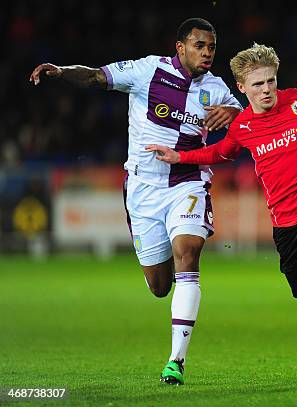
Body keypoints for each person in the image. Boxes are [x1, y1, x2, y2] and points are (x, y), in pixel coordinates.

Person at [146, 43, 297, 380]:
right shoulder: (243, 127)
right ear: (242, 87)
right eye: (259, 84)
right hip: (286, 224)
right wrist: (180, 158)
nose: (267, 90)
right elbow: (220, 153)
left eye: (271, 81)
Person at [29, 18, 242, 385]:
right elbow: (96, 76)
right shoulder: (148, 71)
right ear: (181, 47)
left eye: (211, 47)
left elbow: (251, 121)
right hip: (143, 190)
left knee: (189, 252)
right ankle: (172, 279)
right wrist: (62, 71)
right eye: (199, 45)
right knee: (160, 286)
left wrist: (236, 113)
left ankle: (176, 359)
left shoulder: (217, 88)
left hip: (187, 182)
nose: (207, 53)